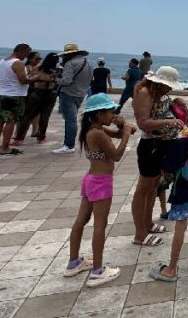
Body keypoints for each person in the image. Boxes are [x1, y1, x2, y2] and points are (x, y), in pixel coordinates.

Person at [64, 93, 133, 287]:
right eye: (110, 111)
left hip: (90, 179)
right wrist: (126, 133)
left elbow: (123, 132)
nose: (113, 114)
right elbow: (117, 155)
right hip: (101, 182)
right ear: (98, 114)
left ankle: (74, 262)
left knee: (81, 220)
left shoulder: (93, 130)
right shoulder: (99, 134)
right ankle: (98, 270)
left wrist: (122, 126)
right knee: (100, 225)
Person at [151, 103, 188, 281]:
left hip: (182, 189)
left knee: (180, 224)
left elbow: (168, 166)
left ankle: (171, 269)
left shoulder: (181, 142)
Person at [131, 66, 185, 246]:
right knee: (143, 189)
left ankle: (147, 223)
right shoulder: (145, 93)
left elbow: (159, 110)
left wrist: (174, 105)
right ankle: (140, 233)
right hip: (151, 146)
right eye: (167, 86)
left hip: (162, 144)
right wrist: (169, 121)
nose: (169, 89)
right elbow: (143, 123)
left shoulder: (157, 93)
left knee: (154, 186)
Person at [0, 43, 31, 155]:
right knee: (10, 121)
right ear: (21, 51)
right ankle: (5, 147)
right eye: (26, 53)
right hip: (15, 96)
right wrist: (35, 78)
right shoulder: (18, 63)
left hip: (2, 94)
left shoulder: (2, 61)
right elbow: (23, 80)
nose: (26, 57)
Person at [52, 44, 93, 154]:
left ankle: (69, 145)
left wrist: (56, 80)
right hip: (80, 94)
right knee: (71, 119)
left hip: (68, 93)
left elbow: (67, 81)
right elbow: (89, 80)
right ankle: (69, 143)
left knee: (70, 120)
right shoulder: (89, 63)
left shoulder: (70, 63)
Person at [14, 52, 60, 144]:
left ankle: (18, 138)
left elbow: (30, 79)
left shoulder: (37, 69)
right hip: (50, 94)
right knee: (45, 116)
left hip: (36, 93)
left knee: (27, 116)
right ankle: (41, 138)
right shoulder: (57, 71)